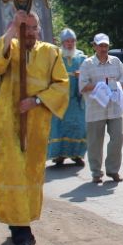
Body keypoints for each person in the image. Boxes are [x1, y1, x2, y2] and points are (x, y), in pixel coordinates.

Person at [0, 10, 69, 245]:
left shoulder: (50, 52)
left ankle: (21, 223)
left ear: (39, 29)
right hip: (9, 122)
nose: (29, 32)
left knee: (29, 176)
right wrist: (11, 29)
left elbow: (61, 85)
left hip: (35, 126)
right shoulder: (11, 47)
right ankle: (21, 232)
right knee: (12, 173)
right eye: (25, 27)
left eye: (33, 28)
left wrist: (37, 101)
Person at [78, 33, 123, 184]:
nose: (103, 48)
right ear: (94, 46)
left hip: (114, 108)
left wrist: (116, 86)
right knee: (95, 142)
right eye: (100, 45)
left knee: (117, 138)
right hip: (95, 109)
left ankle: (113, 170)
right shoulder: (87, 64)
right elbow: (82, 86)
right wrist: (99, 86)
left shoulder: (116, 62)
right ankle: (96, 172)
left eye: (105, 46)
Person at [47, 28, 88, 167]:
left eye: (72, 41)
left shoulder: (82, 57)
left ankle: (77, 155)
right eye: (67, 41)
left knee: (78, 126)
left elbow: (89, 74)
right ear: (62, 42)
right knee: (59, 126)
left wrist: (81, 75)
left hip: (76, 99)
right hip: (61, 98)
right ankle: (59, 155)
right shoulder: (55, 56)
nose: (69, 44)